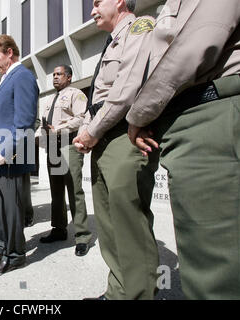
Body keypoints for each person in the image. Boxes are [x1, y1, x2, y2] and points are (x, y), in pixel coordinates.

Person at [126, 0, 239, 299]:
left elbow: (193, 47)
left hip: (210, 113)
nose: (92, 9)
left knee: (213, 276)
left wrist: (139, 115)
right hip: (191, 116)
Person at [73, 0, 159, 299]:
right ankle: (118, 293)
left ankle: (138, 294)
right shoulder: (109, 43)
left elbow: (127, 89)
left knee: (129, 226)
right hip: (102, 139)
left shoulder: (141, 26)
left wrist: (90, 131)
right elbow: (97, 95)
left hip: (125, 135)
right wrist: (86, 130)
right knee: (109, 228)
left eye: (98, 2)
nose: (92, 9)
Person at [0, 34, 38, 274]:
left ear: (10, 52)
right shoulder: (5, 79)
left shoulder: (22, 76)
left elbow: (24, 122)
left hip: (10, 156)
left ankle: (15, 255)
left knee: (11, 208)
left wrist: (6, 150)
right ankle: (2, 246)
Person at [36, 65, 92, 256]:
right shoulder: (49, 99)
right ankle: (59, 230)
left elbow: (82, 118)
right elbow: (44, 123)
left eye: (59, 74)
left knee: (74, 190)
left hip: (68, 144)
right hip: (53, 147)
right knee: (56, 191)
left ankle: (82, 236)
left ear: (69, 77)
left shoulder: (76, 94)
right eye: (53, 75)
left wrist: (59, 129)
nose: (55, 78)